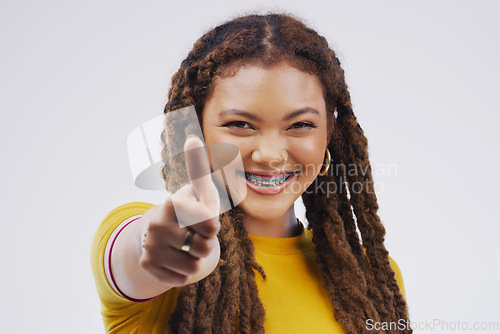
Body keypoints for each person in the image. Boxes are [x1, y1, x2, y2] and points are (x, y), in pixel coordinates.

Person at [91, 13, 412, 334]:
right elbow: (132, 251)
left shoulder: (372, 279)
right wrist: (156, 245)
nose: (270, 155)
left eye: (300, 125)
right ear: (195, 130)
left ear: (328, 134)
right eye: (240, 125)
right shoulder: (151, 232)